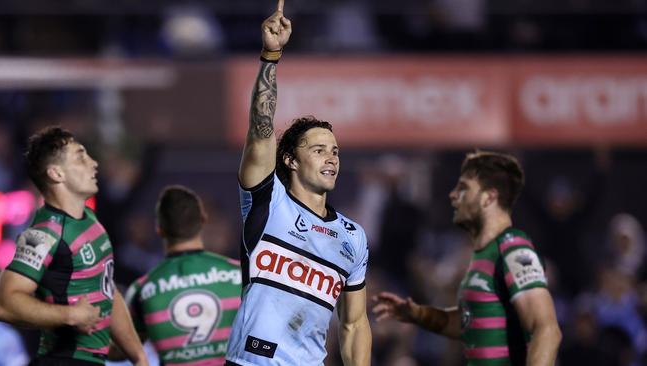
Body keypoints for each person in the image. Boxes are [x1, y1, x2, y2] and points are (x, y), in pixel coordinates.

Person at [224, 1, 371, 365]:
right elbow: (261, 126)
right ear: (289, 160)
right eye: (319, 150)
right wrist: (271, 55)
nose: (331, 158)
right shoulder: (267, 200)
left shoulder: (353, 238)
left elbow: (353, 324)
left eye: (335, 151)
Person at [373, 151, 562, 366]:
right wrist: (417, 314)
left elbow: (546, 329)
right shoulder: (481, 255)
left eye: (464, 189)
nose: (454, 195)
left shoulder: (513, 252)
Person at [0, 127, 147, 366]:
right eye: (81, 157)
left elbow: (107, 290)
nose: (94, 163)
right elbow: (4, 303)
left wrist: (138, 356)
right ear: (56, 173)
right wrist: (68, 315)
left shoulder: (90, 220)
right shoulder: (42, 233)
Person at [120, 185, 242, 365]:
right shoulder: (240, 274)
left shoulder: (142, 289)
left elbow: (122, 352)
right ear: (202, 221)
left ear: (159, 228)